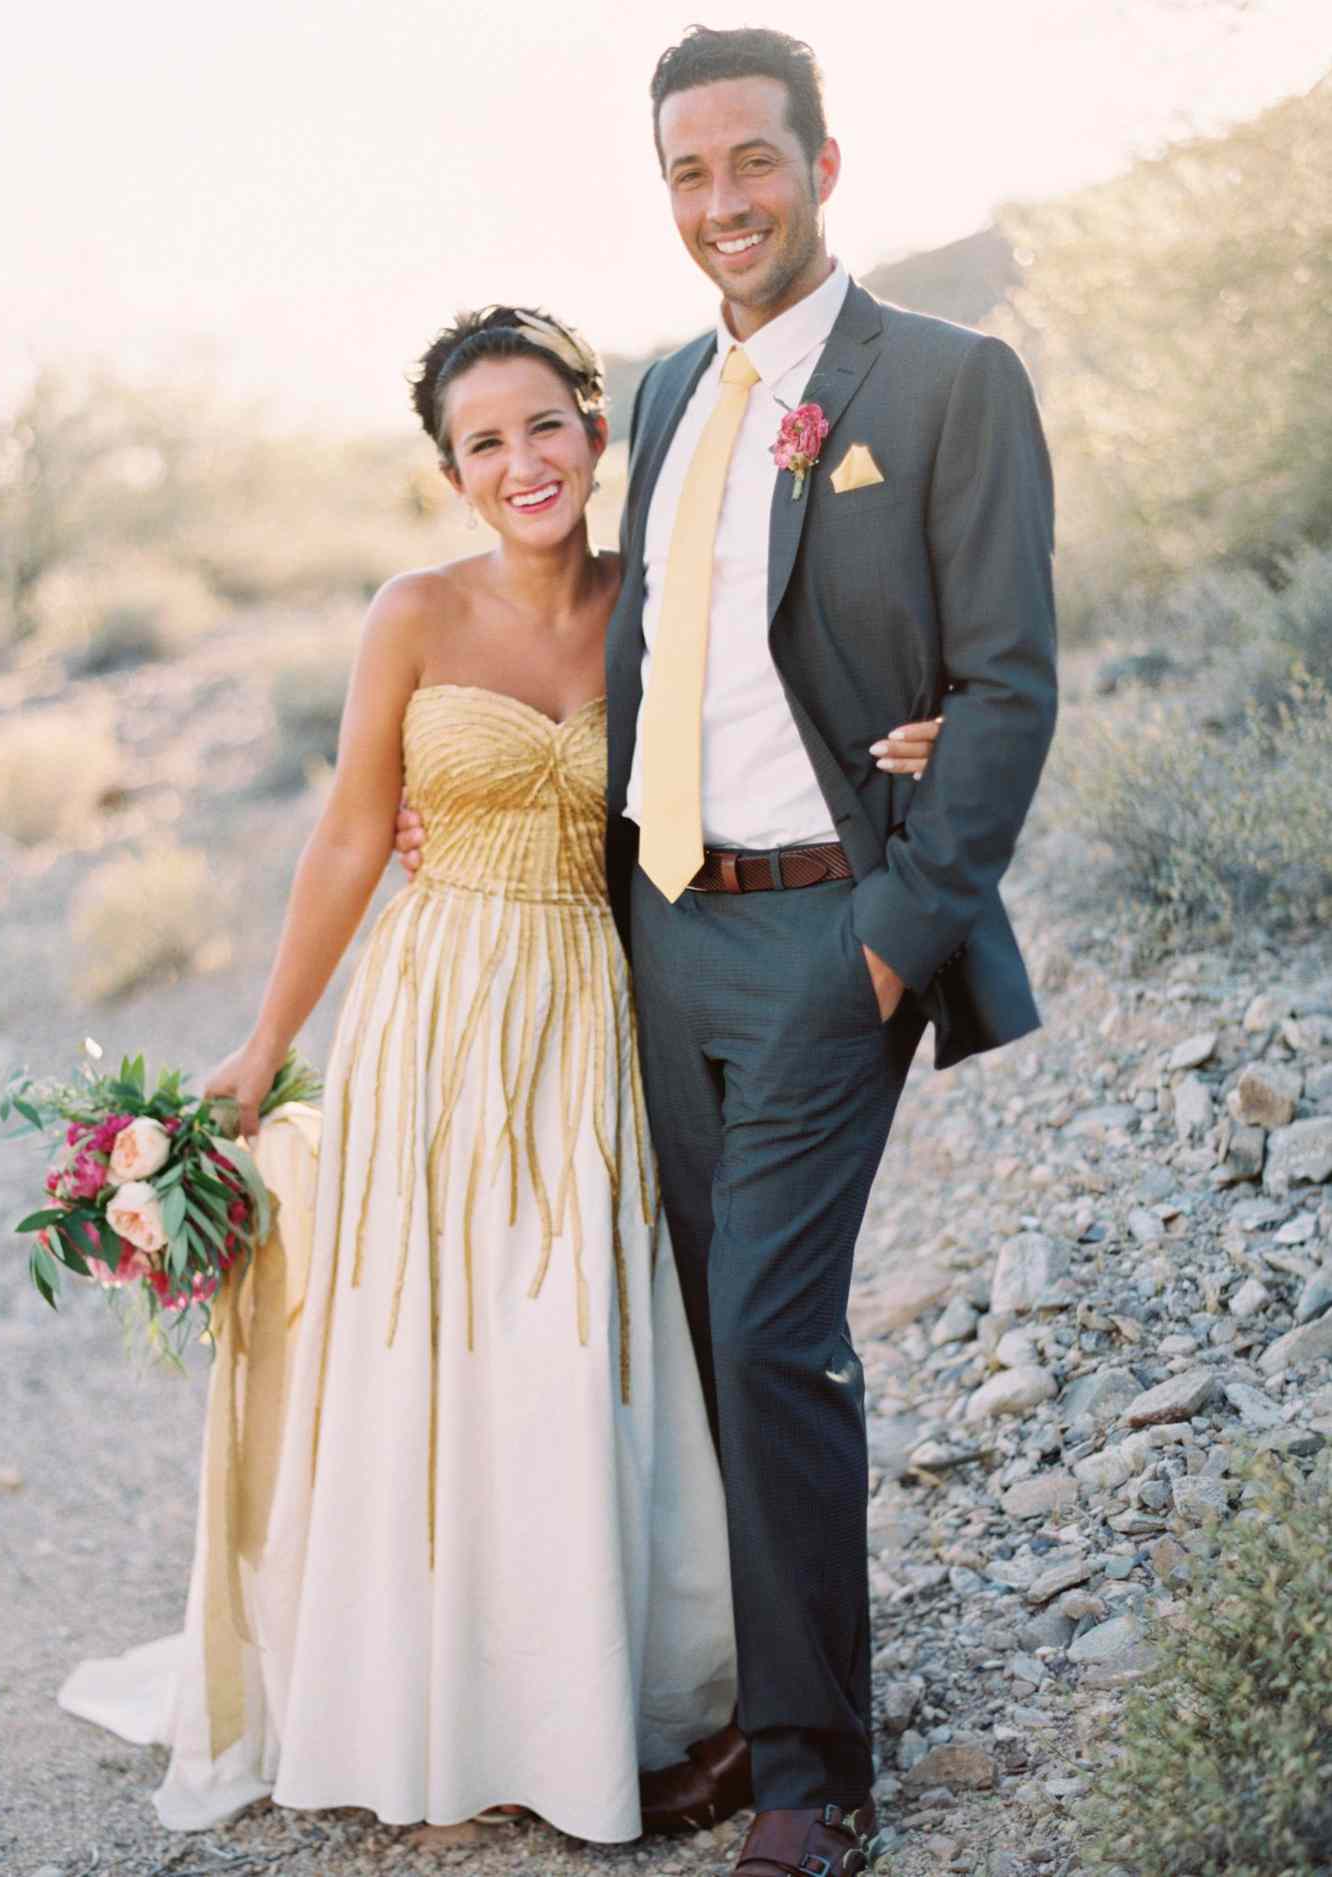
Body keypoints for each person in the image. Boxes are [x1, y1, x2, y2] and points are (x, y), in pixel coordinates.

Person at [57, 305, 945, 1842]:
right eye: (483, 442)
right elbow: (351, 830)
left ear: (598, 433)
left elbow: (762, 727)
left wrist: (925, 729)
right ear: (450, 472)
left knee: (566, 1352)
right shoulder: (412, 612)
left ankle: (591, 1707)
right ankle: (434, 1703)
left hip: (599, 1006)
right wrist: (264, 1048)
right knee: (434, 1348)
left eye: (545, 424)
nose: (521, 461)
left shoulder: (658, 608)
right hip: (432, 1010)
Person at [400, 26, 1058, 1876]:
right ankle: (754, 1711)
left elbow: (1006, 681)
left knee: (772, 1337)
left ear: (825, 168)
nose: (720, 205)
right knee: (698, 1333)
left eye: (751, 165)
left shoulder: (946, 383)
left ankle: (810, 1783)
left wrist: (900, 933)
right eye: (687, 175)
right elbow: (635, 645)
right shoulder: (671, 390)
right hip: (657, 935)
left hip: (825, 940)